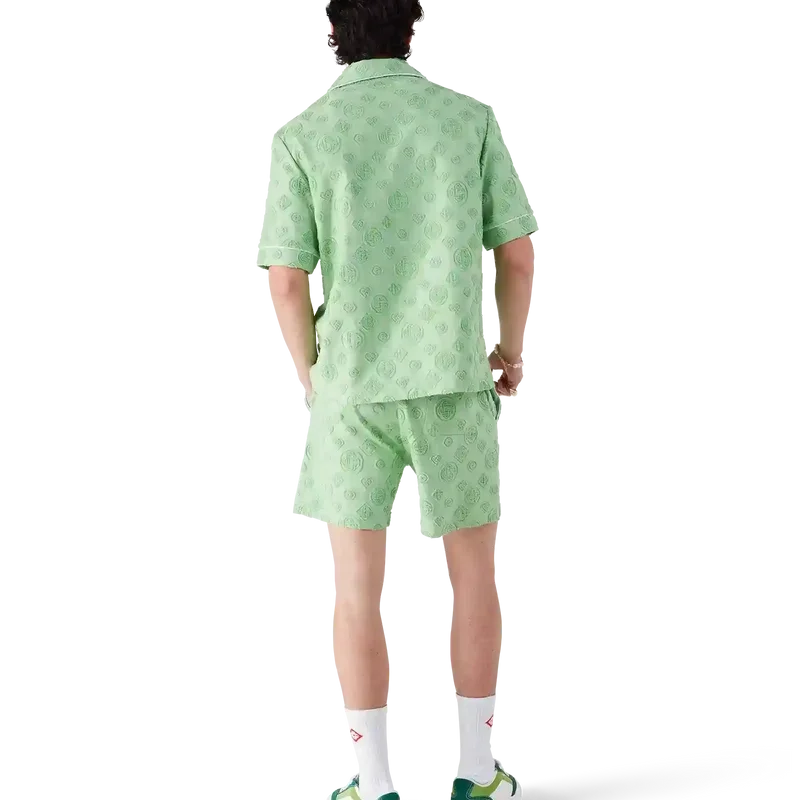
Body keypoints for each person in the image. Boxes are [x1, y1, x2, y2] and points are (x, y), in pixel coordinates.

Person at [257, 2, 535, 797]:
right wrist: (510, 353)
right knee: (473, 569)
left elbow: (286, 282)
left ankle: (373, 781)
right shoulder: (467, 117)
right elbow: (517, 255)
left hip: (351, 382)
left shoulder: (303, 131)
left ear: (333, 33)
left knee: (355, 581)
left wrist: (311, 373)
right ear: (414, 29)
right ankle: (476, 774)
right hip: (452, 375)